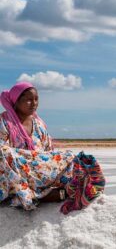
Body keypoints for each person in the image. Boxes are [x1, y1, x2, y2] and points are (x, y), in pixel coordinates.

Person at [0, 82, 105, 212]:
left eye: (36, 99)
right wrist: (24, 159)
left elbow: (48, 153)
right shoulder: (4, 121)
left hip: (37, 171)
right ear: (16, 101)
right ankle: (36, 194)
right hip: (15, 172)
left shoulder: (38, 124)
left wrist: (36, 161)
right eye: (28, 100)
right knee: (2, 152)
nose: (34, 103)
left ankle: (53, 191)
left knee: (69, 156)